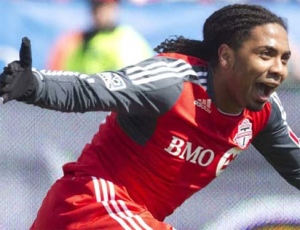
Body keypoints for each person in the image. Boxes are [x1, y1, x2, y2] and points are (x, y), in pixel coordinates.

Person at [0, 3, 299, 230]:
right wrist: (34, 84)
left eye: (284, 59)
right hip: (89, 205)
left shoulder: (265, 114)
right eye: (265, 54)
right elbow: (89, 90)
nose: (278, 69)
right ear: (226, 56)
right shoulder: (173, 82)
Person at [46, 0, 153, 73]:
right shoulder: (75, 41)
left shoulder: (129, 40)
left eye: (104, 6)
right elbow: (63, 76)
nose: (99, 12)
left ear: (115, 8)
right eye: (96, 5)